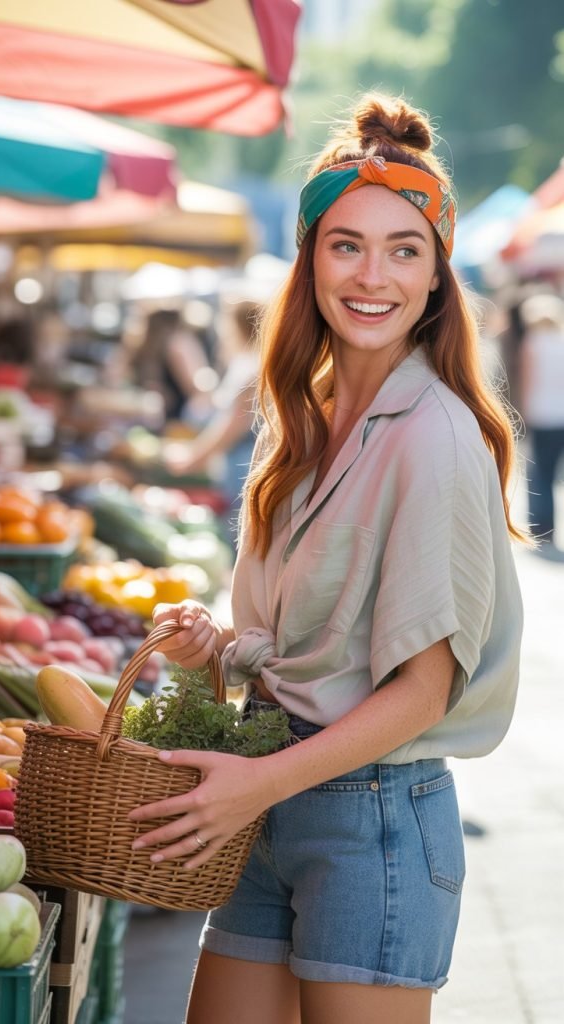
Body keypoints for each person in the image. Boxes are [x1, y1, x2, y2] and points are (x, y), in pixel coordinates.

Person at [129, 91, 527, 1024]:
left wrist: (256, 786)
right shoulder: (301, 422)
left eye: (405, 249)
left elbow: (423, 692)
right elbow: (309, 646)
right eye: (346, 244)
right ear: (309, 259)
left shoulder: (434, 437)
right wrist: (220, 644)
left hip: (370, 820)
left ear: (437, 276)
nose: (372, 275)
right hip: (270, 795)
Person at [163, 294, 262, 540]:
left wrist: (193, 459)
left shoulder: (252, 368)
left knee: (238, 537)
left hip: (244, 470)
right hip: (238, 468)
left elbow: (232, 427)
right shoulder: (248, 363)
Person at [518, 293, 564, 549]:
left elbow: (528, 381)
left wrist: (523, 414)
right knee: (554, 473)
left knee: (540, 474)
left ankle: (542, 528)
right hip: (561, 415)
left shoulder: (533, 343)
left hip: (542, 414)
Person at [129, 306, 211, 420]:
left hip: (158, 416)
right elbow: (193, 384)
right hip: (178, 415)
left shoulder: (144, 348)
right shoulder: (178, 343)